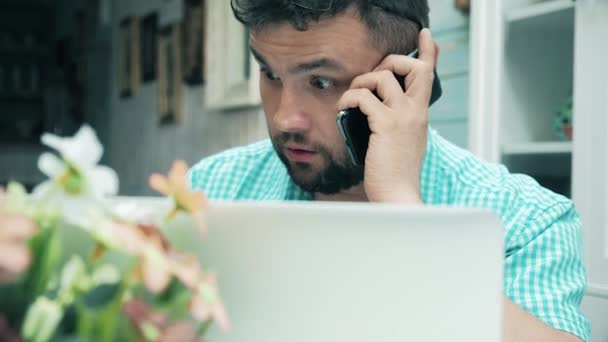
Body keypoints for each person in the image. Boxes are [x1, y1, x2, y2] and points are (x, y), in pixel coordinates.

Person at [188, 1, 589, 341]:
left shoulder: (527, 220)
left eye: (321, 81)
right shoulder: (210, 189)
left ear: (408, 74)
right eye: (271, 74)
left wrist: (402, 208)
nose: (285, 117)